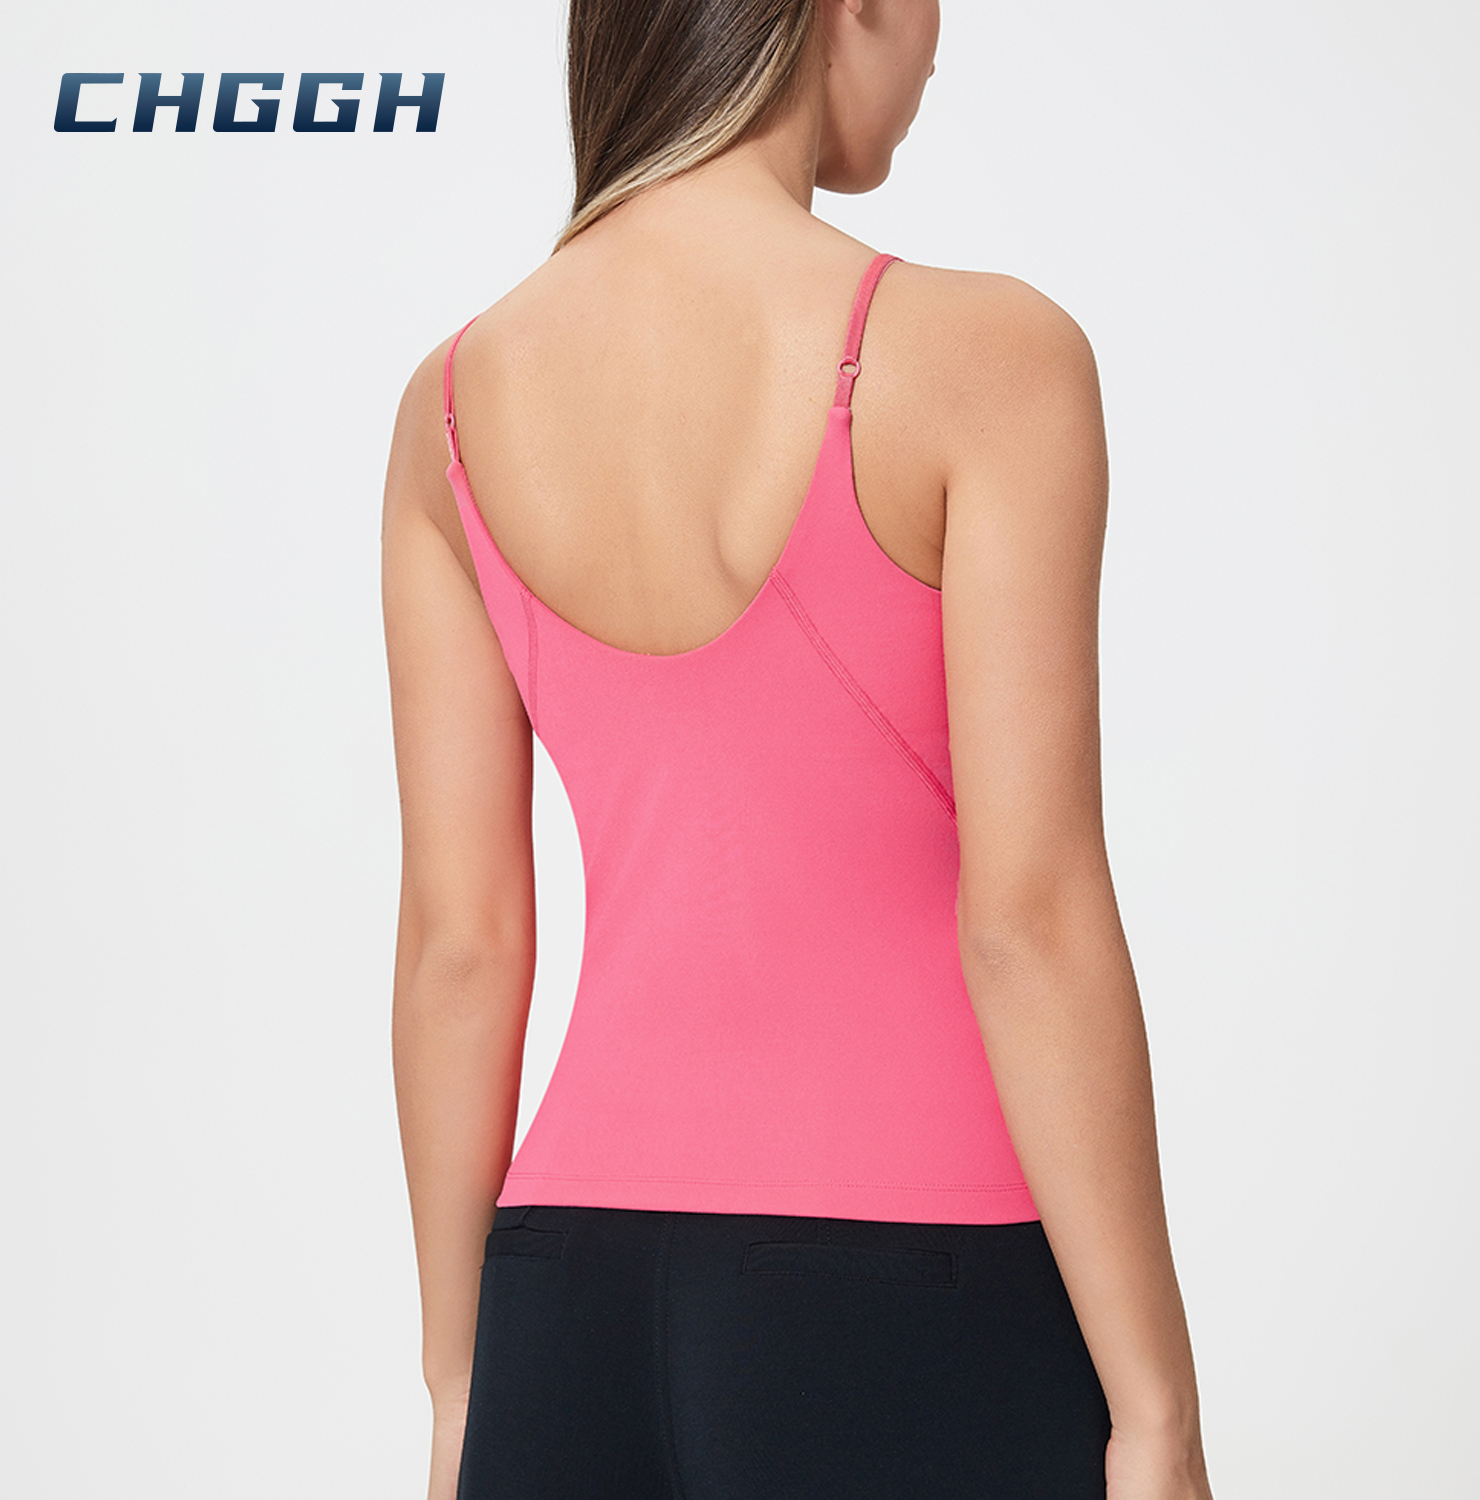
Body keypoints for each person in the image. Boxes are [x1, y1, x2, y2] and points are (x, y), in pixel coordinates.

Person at [381, 1, 1214, 1497]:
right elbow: (1028, 921)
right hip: (911, 1287)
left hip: (566, 1304)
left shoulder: (449, 404)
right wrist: (1156, 1414)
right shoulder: (985, 355)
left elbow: (463, 946)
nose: (942, 44)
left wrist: (461, 1384)